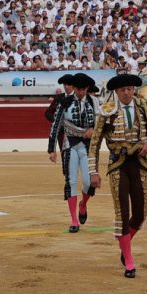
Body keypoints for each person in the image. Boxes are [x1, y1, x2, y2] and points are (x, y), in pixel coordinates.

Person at [87, 73, 147, 278]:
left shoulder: (145, 107)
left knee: (139, 216)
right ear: (116, 92)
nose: (127, 93)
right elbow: (94, 144)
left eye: (130, 89)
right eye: (123, 90)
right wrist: (93, 172)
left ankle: (125, 245)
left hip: (139, 164)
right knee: (122, 214)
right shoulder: (107, 111)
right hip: (117, 165)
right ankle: (129, 261)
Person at [48, 73, 100, 233]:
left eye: (84, 89)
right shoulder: (64, 102)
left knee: (87, 181)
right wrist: (52, 148)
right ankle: (74, 220)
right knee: (71, 181)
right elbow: (56, 125)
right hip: (69, 144)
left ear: (87, 88)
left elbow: (100, 124)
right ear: (75, 88)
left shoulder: (94, 101)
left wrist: (94, 130)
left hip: (87, 147)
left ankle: (83, 205)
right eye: (78, 89)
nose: (81, 92)